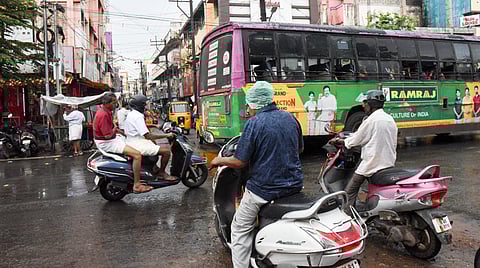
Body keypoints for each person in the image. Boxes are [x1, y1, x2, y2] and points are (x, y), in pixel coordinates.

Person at [208, 81, 304, 268]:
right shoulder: (290, 118)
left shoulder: (254, 123)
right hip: (294, 185)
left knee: (240, 227)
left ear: (254, 103)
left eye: (248, 104)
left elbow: (239, 161)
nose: (248, 108)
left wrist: (218, 160)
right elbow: (299, 149)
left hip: (264, 189)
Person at [330, 90, 397, 214]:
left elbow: (355, 140)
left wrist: (340, 141)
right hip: (388, 162)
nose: (363, 106)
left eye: (365, 103)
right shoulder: (389, 119)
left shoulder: (371, 121)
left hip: (372, 164)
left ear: (371, 104)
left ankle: (347, 217)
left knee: (349, 191)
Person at [93, 93, 151, 193]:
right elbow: (108, 135)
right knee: (137, 155)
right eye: (114, 103)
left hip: (111, 139)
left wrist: (120, 132)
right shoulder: (103, 114)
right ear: (108, 103)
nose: (116, 105)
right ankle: (137, 184)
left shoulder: (106, 111)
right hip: (107, 142)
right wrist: (115, 129)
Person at [124, 94, 176, 181]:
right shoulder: (138, 116)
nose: (146, 106)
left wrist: (154, 126)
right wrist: (167, 135)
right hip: (137, 143)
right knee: (166, 152)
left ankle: (154, 167)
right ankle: (162, 173)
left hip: (132, 140)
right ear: (139, 105)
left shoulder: (132, 114)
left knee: (154, 143)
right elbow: (148, 136)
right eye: (144, 104)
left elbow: (140, 127)